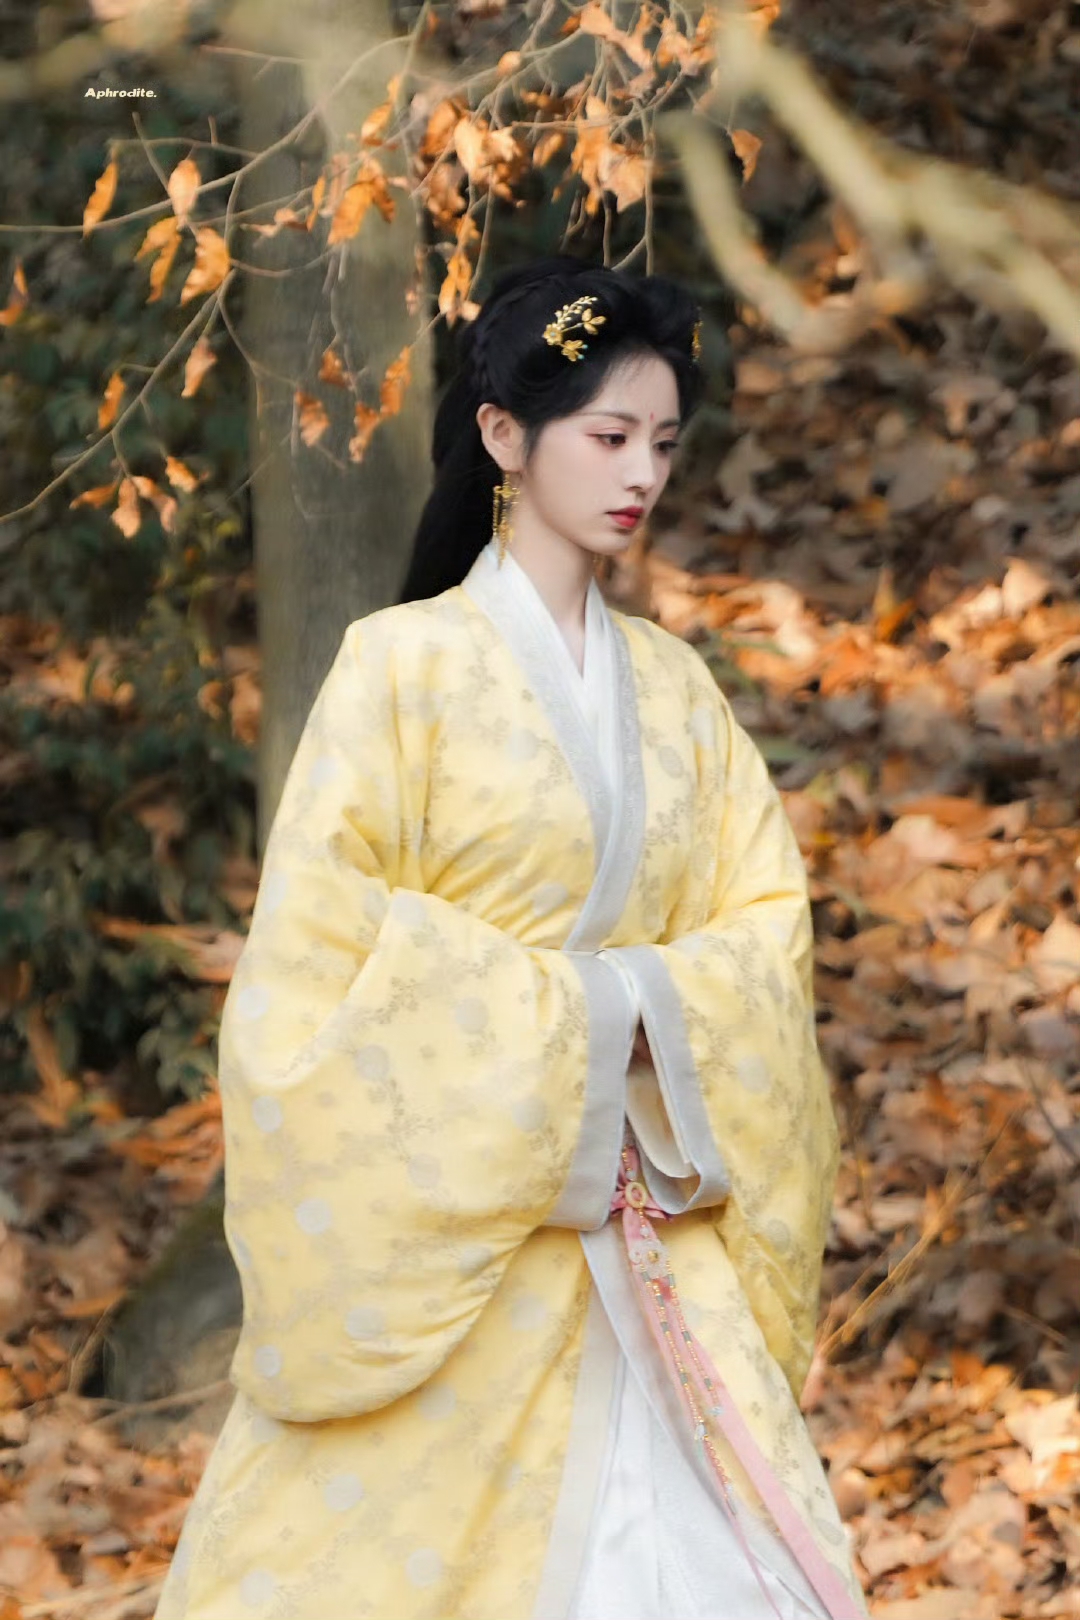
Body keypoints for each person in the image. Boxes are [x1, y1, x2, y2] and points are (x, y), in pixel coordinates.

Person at [154, 255, 868, 1620]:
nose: (641, 473)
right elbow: (319, 970)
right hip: (453, 1268)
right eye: (608, 436)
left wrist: (631, 1013)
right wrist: (596, 1024)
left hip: (655, 1253)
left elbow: (764, 936)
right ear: (502, 434)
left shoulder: (677, 687)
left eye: (664, 443)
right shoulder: (399, 668)